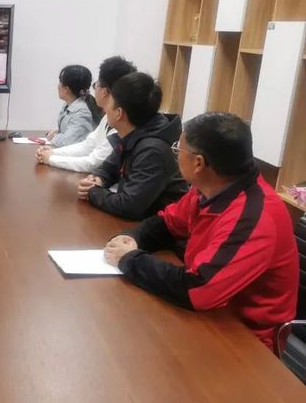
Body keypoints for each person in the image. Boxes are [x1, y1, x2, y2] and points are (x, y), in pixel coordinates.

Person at [104, 113, 298, 350]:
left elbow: (198, 289)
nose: (175, 154)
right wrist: (133, 238)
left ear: (198, 163)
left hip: (245, 339)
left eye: (178, 149)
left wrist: (130, 259)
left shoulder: (254, 216)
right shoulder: (211, 188)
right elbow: (168, 222)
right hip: (209, 316)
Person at [77, 72, 188, 220]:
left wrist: (93, 192)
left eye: (109, 101)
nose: (104, 108)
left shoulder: (153, 151)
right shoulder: (131, 133)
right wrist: (98, 179)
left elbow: (128, 206)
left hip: (158, 228)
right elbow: (108, 167)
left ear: (119, 113)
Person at [37, 56, 136, 171]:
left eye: (96, 84)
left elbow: (93, 163)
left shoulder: (120, 122)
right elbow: (87, 146)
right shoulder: (108, 117)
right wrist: (53, 152)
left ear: (104, 91)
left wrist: (51, 159)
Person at [43, 65, 102, 148]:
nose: (58, 86)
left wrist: (54, 137)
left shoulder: (82, 112)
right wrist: (58, 132)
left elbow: (69, 142)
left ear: (66, 89)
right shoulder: (69, 104)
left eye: (60, 82)